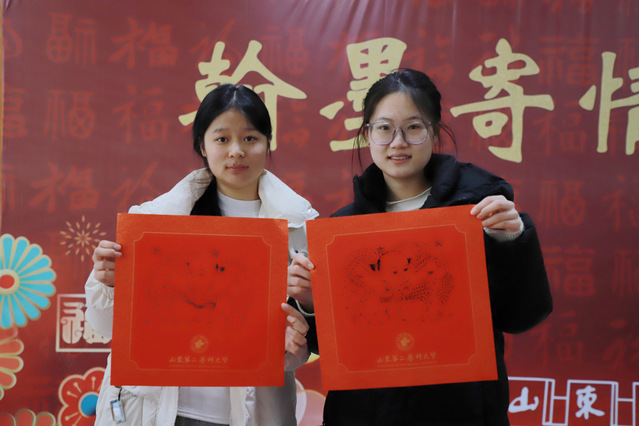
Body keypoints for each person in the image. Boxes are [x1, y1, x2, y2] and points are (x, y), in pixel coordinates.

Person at [288, 69, 553, 425]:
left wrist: (512, 239)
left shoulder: (478, 211)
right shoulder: (343, 229)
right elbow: (335, 349)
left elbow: (523, 316)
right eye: (384, 128)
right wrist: (310, 302)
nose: (398, 142)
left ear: (435, 132)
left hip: (461, 412)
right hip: (365, 414)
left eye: (413, 127)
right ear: (367, 135)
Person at [85, 84, 319, 426]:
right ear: (202, 145)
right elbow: (104, 325)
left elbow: (309, 343)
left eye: (250, 138)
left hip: (251, 414)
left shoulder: (298, 228)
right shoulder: (156, 222)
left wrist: (296, 344)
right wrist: (108, 283)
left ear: (268, 142)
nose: (236, 151)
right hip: (158, 410)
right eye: (222, 139)